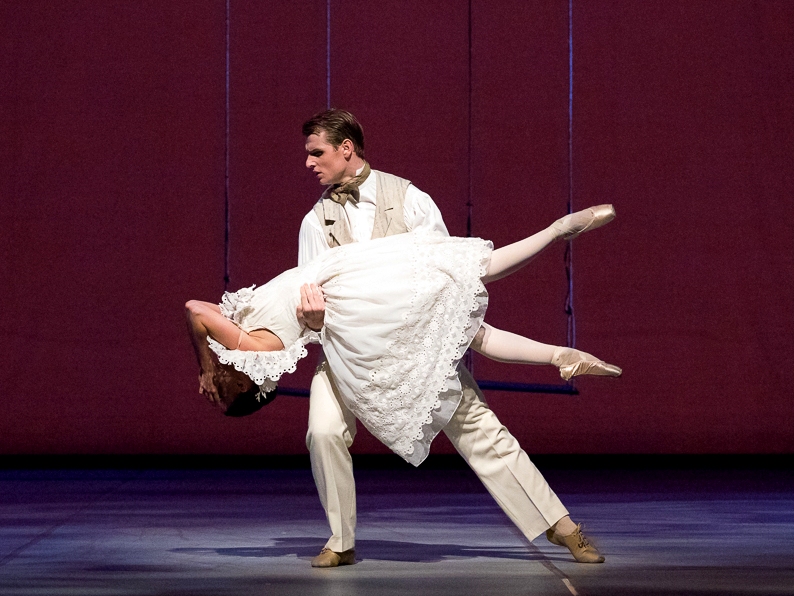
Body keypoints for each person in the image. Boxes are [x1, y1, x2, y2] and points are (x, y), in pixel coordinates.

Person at [186, 109, 619, 568]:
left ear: (346, 148)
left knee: (480, 430)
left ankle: (563, 527)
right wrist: (312, 321)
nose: (309, 163)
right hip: (347, 350)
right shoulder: (316, 222)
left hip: (412, 345)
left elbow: (446, 272)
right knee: (323, 431)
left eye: (317, 153)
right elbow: (306, 297)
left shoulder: (408, 198)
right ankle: (341, 538)